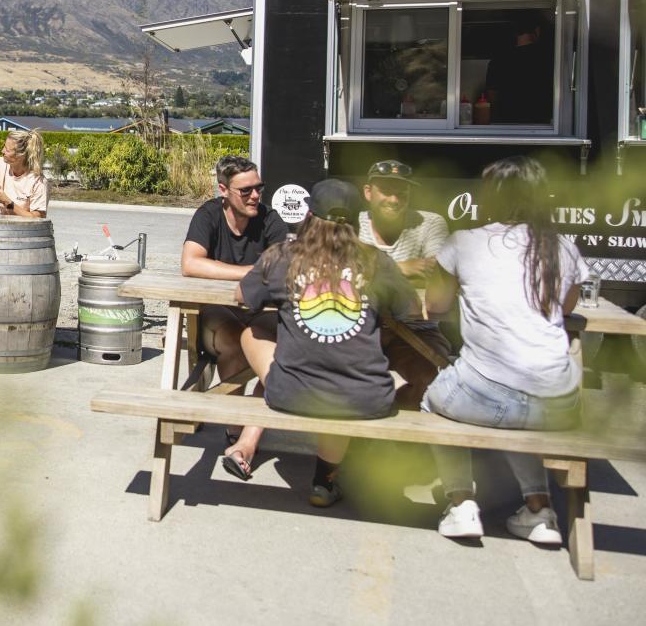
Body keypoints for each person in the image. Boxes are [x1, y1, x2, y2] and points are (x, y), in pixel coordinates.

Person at [422, 156, 587, 545]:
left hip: (487, 395)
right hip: (561, 400)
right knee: (520, 409)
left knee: (435, 399)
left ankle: (461, 504)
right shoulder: (561, 246)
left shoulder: (465, 241)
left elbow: (436, 305)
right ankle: (539, 509)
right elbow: (565, 307)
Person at [236, 179, 422, 507]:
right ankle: (324, 481)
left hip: (290, 394)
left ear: (308, 215)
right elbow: (412, 310)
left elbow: (242, 296)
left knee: (251, 332)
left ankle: (287, 383)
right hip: (367, 397)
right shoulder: (375, 261)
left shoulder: (281, 256)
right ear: (355, 221)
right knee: (339, 371)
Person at [181, 154, 289, 479]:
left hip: (260, 315)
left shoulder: (270, 219)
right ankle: (234, 428)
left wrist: (250, 276)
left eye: (259, 188)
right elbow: (190, 264)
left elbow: (281, 267)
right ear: (224, 191)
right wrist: (248, 272)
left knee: (275, 362)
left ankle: (244, 441)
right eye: (246, 191)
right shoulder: (209, 215)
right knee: (233, 340)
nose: (256, 196)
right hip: (218, 316)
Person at [358, 159, 454, 407]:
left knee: (425, 374)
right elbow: (340, 267)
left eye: (402, 193)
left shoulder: (430, 222)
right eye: (387, 191)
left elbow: (435, 270)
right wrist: (401, 267)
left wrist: (371, 269)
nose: (394, 199)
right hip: (359, 330)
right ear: (368, 192)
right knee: (338, 374)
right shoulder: (353, 221)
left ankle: (399, 442)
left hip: (417, 330)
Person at [484, 14, 554, 125]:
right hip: (540, 125)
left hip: (506, 123)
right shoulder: (547, 58)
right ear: (537, 31)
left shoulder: (498, 61)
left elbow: (492, 96)